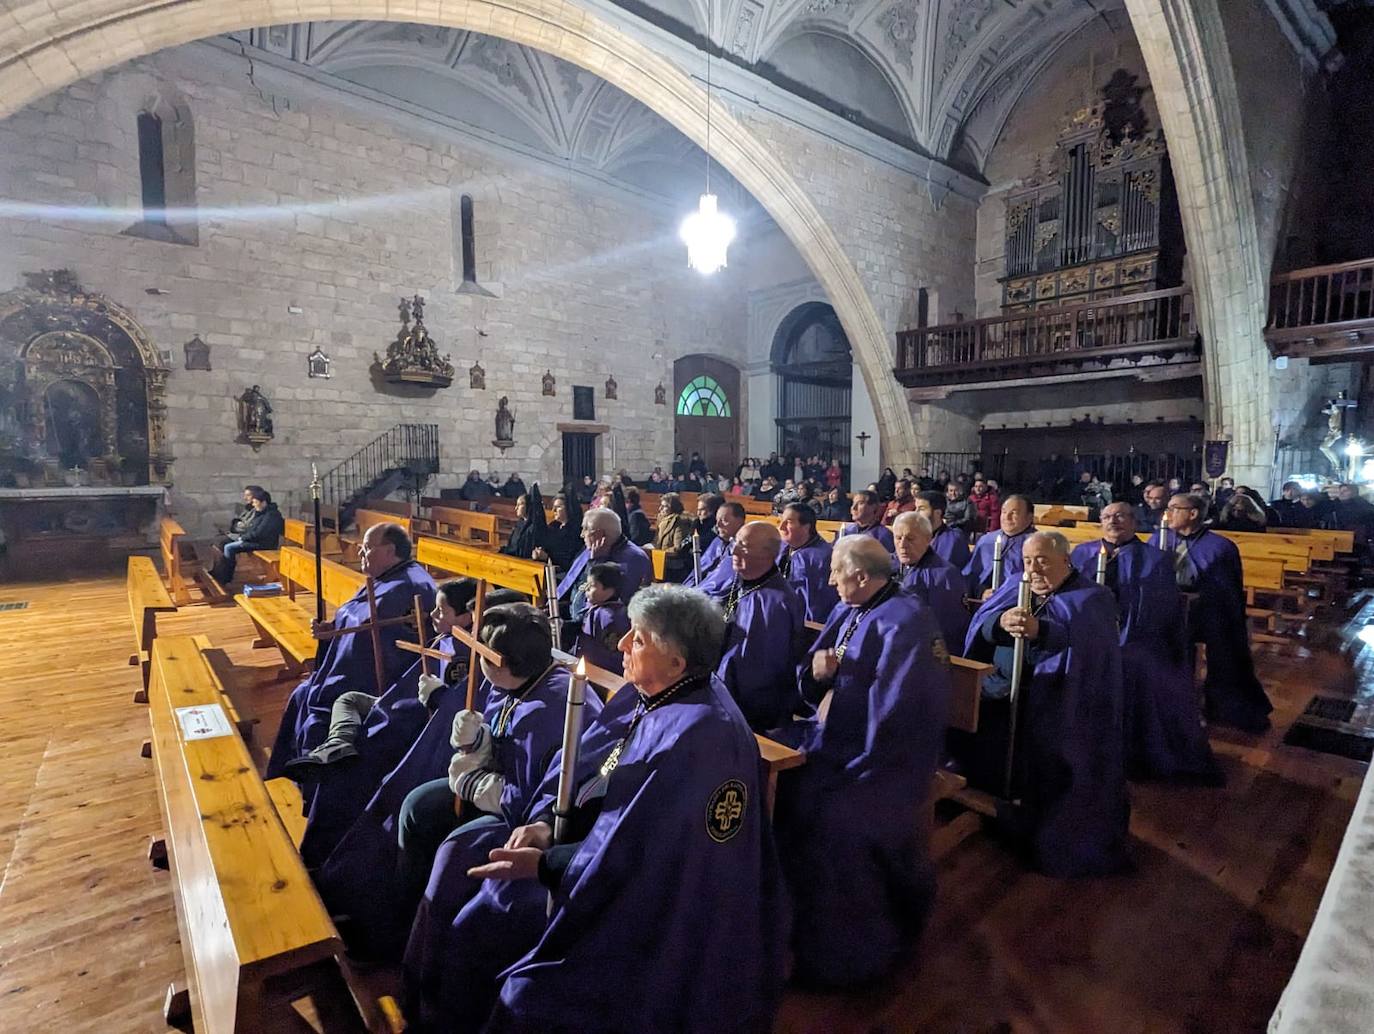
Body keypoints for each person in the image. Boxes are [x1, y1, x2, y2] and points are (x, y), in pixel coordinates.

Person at [428, 586, 786, 1033]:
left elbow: (642, 851)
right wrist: (541, 819)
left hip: (643, 911)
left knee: (496, 946)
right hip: (582, 849)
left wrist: (548, 865)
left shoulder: (701, 735)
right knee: (457, 876)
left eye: (637, 639)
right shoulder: (653, 693)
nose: (620, 644)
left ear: (677, 661)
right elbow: (577, 760)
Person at [771, 536, 949, 987]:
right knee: (775, 787)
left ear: (863, 577)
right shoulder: (853, 608)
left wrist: (859, 767)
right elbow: (816, 669)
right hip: (835, 743)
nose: (829, 581)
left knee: (834, 826)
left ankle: (849, 956)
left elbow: (903, 711)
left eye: (836, 572)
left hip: (886, 761)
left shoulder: (907, 622)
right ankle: (785, 929)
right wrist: (818, 676)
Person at [960, 531, 1131, 877]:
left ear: (1065, 561)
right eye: (1026, 560)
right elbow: (982, 624)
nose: (1033, 568)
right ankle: (992, 796)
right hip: (1002, 682)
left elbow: (1088, 648)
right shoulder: (1014, 585)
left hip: (1058, 691)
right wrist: (1000, 622)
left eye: (1042, 560)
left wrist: (1042, 631)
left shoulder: (1091, 598)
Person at [289, 579, 480, 866]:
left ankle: (339, 745)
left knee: (354, 743)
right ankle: (337, 742)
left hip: (414, 717)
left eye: (442, 611)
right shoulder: (444, 637)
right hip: (398, 702)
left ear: (466, 617)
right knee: (348, 699)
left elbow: (448, 705)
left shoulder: (463, 653)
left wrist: (425, 697)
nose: (433, 616)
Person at [267, 522, 437, 779]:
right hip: (345, 667)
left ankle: (320, 767)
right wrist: (331, 630)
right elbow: (355, 618)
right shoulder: (385, 576)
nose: (360, 553)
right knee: (301, 694)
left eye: (367, 548)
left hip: (373, 679)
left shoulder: (408, 587)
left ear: (390, 551)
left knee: (314, 707)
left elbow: (390, 645)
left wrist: (341, 637)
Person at [1070, 504, 1221, 783]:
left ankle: (1125, 750)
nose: (1112, 521)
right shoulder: (1082, 553)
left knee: (1134, 664)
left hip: (1137, 638)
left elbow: (1159, 607)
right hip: (1086, 635)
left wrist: (1124, 634)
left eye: (1119, 516)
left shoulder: (1155, 559)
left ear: (1133, 521)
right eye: (1106, 517)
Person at [1163, 493, 1273, 732]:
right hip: (1168, 611)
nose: (1167, 514)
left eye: (1174, 508)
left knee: (1223, 648)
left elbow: (1225, 591)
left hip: (1208, 614)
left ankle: (1215, 704)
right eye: (1167, 508)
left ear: (1193, 514)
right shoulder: (1160, 538)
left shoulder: (1220, 546)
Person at [714, 522, 805, 730]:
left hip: (752, 710)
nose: (734, 550)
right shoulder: (741, 581)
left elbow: (759, 671)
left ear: (768, 553)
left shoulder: (776, 604)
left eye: (743, 545)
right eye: (735, 542)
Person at [555, 508, 652, 633]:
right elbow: (574, 585)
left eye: (586, 529)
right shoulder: (591, 549)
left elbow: (611, 602)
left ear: (600, 534)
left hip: (599, 626)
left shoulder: (634, 558)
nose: (582, 535)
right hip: (572, 615)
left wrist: (597, 563)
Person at [892, 512, 969, 651]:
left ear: (928, 539)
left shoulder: (945, 576)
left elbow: (948, 627)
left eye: (910, 538)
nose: (902, 545)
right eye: (898, 538)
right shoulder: (885, 566)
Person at [777, 502, 839, 624]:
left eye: (788, 522)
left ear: (806, 527)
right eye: (781, 521)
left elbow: (816, 605)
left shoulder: (821, 559)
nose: (781, 527)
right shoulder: (781, 548)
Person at [963, 494, 1036, 597]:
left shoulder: (1037, 544)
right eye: (1004, 512)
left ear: (1029, 517)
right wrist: (981, 592)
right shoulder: (986, 541)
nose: (1007, 517)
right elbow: (970, 575)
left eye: (1014, 513)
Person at [210, 486, 283, 583]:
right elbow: (252, 529)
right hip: (255, 540)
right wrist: (243, 537)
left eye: (255, 502)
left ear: (263, 502)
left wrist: (242, 538)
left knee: (229, 547)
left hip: (264, 544)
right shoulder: (261, 512)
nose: (254, 505)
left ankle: (225, 576)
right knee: (223, 543)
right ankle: (221, 573)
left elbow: (259, 533)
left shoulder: (271, 515)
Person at [574, 562, 630, 675]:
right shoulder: (594, 607)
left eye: (592, 585)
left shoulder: (612, 618)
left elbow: (608, 655)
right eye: (587, 584)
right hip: (585, 662)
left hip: (600, 671)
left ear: (610, 590)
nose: (587, 589)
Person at [686, 500, 745, 595]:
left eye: (724, 520)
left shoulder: (743, 549)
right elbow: (698, 572)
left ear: (740, 521)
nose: (718, 525)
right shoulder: (717, 542)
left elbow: (722, 584)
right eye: (717, 520)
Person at [914, 490, 971, 569]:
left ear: (937, 513)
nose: (916, 513)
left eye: (921, 509)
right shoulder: (912, 534)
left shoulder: (953, 540)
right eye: (916, 508)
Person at [653, 492, 693, 582]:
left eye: (664, 506)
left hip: (673, 567)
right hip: (661, 562)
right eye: (661, 506)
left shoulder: (680, 522)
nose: (660, 509)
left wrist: (660, 553)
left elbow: (678, 547)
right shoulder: (662, 520)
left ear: (673, 506)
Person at [498, 494, 539, 559]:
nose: (516, 508)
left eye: (519, 504)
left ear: (528, 506)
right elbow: (512, 544)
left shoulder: (534, 527)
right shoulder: (520, 523)